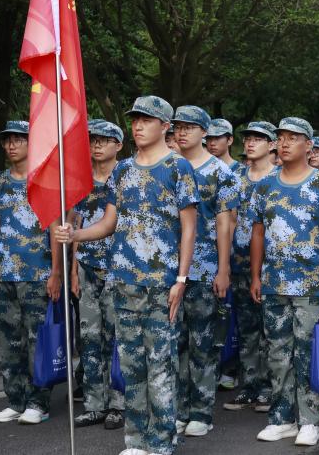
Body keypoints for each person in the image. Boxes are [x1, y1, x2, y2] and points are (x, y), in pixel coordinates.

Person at [55, 95, 199, 455]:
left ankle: (161, 441)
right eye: (135, 120)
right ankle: (136, 440)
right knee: (132, 367)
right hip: (123, 281)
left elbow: (189, 228)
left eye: (146, 120)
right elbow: (109, 222)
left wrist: (181, 279)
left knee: (160, 365)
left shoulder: (178, 168)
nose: (138, 126)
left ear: (164, 126)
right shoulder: (122, 171)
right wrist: (75, 234)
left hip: (162, 284)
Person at [248, 117, 319, 447]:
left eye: (293, 138)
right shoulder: (265, 185)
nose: (285, 143)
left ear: (309, 145)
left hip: (312, 285)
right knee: (277, 352)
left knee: (309, 352)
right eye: (281, 138)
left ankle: (310, 419)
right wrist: (256, 275)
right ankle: (282, 418)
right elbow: (257, 233)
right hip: (275, 282)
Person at [0, 120, 62, 426]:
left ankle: (38, 402)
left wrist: (55, 272)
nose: (11, 145)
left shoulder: (45, 181)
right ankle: (15, 400)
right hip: (6, 273)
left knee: (36, 340)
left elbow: (55, 228)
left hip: (37, 273)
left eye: (18, 139)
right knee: (10, 341)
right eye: (7, 140)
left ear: (32, 143)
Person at [171, 105, 241, 437]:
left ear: (204, 132)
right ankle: (180, 408)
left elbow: (226, 223)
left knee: (202, 343)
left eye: (189, 127)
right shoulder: (169, 165)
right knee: (175, 343)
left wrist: (223, 269)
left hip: (204, 267)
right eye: (178, 127)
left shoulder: (219, 172)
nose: (182, 132)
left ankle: (201, 411)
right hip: (170, 269)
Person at [71, 119, 125, 430]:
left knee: (117, 337)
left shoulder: (126, 176)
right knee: (89, 337)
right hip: (87, 266)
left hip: (118, 267)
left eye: (104, 140)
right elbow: (76, 224)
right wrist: (73, 270)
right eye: (93, 140)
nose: (97, 145)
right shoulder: (82, 180)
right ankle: (94, 404)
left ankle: (119, 403)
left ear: (118, 145)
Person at [223, 121, 278, 413]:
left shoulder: (280, 177)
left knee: (271, 328)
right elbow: (229, 220)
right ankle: (250, 385)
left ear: (272, 145)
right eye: (248, 139)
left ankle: (270, 388)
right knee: (246, 328)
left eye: (258, 138)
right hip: (240, 263)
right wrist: (226, 261)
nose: (251, 143)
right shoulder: (235, 177)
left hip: (272, 266)